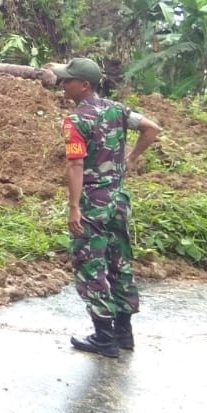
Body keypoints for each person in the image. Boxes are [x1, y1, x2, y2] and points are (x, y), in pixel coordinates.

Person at [54, 57, 160, 358]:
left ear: (84, 85)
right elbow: (151, 128)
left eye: (68, 80)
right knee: (119, 261)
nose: (64, 84)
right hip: (117, 200)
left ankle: (103, 336)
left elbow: (75, 165)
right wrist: (131, 158)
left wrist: (74, 207)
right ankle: (124, 333)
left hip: (92, 204)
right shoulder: (117, 110)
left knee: (90, 264)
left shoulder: (76, 120)